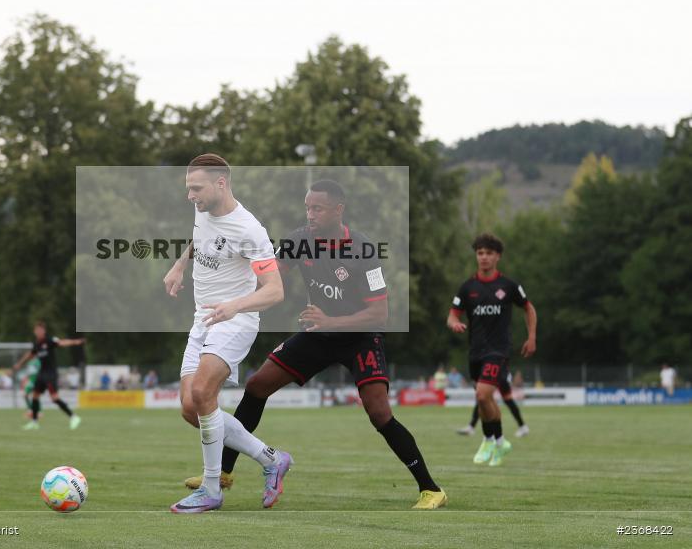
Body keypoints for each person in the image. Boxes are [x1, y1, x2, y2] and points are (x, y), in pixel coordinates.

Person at [182, 179, 446, 509]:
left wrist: (331, 322)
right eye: (307, 207)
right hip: (318, 335)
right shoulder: (299, 240)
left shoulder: (362, 250)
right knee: (258, 385)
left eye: (317, 208)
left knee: (379, 413)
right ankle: (223, 473)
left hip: (359, 339)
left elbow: (380, 314)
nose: (310, 214)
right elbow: (269, 275)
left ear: (339, 210)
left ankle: (431, 489)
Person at [163, 153, 289, 514]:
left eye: (197, 188)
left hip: (235, 321)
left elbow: (274, 291)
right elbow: (198, 236)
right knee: (192, 408)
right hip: (203, 318)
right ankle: (271, 459)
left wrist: (236, 305)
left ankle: (211, 488)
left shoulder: (249, 230)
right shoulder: (203, 208)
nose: (191, 196)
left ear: (221, 183)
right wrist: (179, 264)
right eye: (188, 188)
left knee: (203, 392)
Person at [447, 233, 537, 466]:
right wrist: (454, 323)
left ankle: (488, 439)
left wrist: (532, 336)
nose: (484, 257)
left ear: (497, 257)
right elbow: (452, 314)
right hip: (476, 351)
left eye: (488, 253)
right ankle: (500, 442)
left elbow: (528, 309)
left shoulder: (508, 286)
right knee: (487, 402)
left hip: (499, 351)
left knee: (482, 395)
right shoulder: (468, 287)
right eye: (480, 253)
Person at [11, 321, 84, 430]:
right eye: (36, 330)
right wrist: (19, 364)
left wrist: (75, 342)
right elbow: (30, 355)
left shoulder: (49, 341)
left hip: (50, 374)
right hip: (42, 373)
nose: (38, 332)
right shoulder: (37, 344)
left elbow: (62, 342)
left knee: (54, 398)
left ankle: (74, 417)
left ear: (44, 331)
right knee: (35, 396)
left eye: (40, 330)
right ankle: (34, 422)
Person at [455, 370, 530, 438]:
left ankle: (473, 428)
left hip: (497, 372)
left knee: (488, 398)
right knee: (484, 398)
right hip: (496, 371)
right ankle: (522, 427)